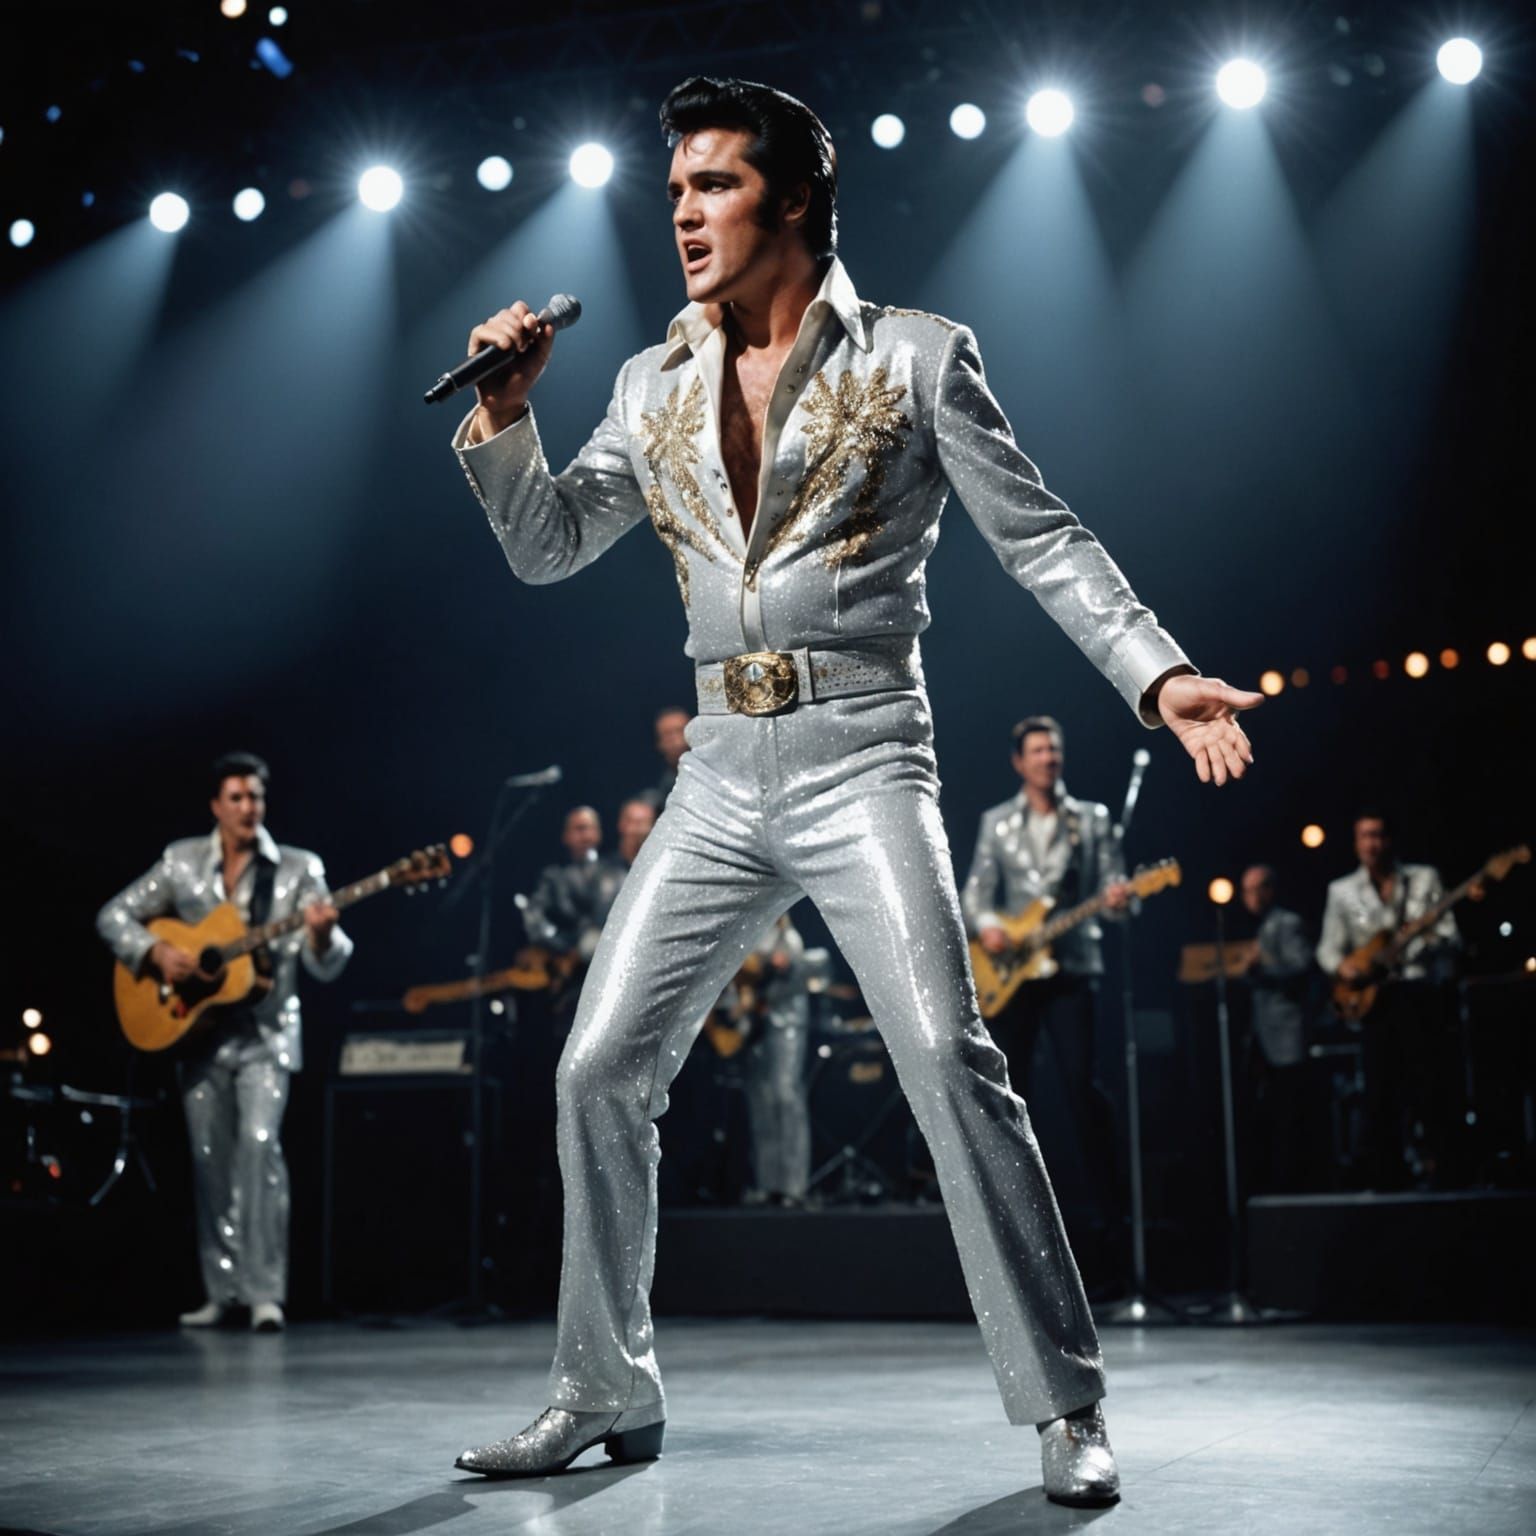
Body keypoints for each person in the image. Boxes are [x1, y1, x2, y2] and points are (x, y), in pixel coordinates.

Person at [446, 75, 1259, 1506]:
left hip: (863, 748)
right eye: (677, 185)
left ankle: (1066, 1401)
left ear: (799, 199)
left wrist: (1157, 674)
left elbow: (1044, 538)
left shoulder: (920, 358)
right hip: (714, 770)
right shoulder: (648, 382)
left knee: (949, 1057)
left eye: (716, 185)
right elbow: (549, 546)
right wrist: (507, 419)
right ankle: (603, 1385)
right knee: (595, 1068)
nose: (683, 211)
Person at [95, 752, 352, 1332]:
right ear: (216, 804)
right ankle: (222, 1289)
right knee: (210, 1161)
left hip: (266, 1034)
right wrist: (156, 952)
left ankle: (265, 1292)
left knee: (259, 1148)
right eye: (235, 797)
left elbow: (329, 964)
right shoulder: (181, 863)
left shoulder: (297, 868)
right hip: (199, 1035)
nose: (246, 807)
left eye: (255, 797)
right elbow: (114, 916)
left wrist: (325, 935)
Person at [961, 715, 1129, 1277]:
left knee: (1083, 1091)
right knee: (1014, 1096)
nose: (1048, 758)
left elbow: (1116, 888)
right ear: (1019, 761)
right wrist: (989, 926)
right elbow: (974, 896)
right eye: (1037, 751)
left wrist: (1123, 899)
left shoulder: (1091, 820)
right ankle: (1019, 1230)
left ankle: (1112, 1227)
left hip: (1072, 967)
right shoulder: (997, 822)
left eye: (1054, 749)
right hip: (1011, 975)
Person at [1317, 813, 1460, 1189]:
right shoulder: (1342, 891)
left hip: (1417, 992)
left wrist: (1418, 946)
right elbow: (1327, 951)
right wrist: (1346, 966)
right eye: (1364, 836)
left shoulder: (1422, 879)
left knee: (1429, 1082)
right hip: (1374, 1000)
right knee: (1379, 1089)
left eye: (1378, 835)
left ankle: (1445, 1171)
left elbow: (1450, 936)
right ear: (1354, 841)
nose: (1372, 844)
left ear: (1391, 839)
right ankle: (1385, 1176)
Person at [1236, 864, 1314, 1192]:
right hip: (1262, 1037)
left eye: (1259, 888)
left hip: (1287, 1034)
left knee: (1290, 1115)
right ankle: (1271, 1185)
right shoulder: (1256, 928)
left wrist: (1260, 969)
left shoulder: (1287, 923)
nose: (1252, 896)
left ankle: (1292, 1187)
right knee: (1266, 1114)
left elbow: (1301, 966)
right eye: (1247, 889)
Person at [729, 912, 811, 1205]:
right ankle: (767, 1182)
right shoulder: (749, 931)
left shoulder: (787, 937)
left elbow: (790, 974)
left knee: (786, 1096)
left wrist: (768, 974)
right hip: (755, 1029)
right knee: (760, 1102)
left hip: (784, 1025)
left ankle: (793, 1185)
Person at [523, 805, 612, 960]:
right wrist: (563, 946)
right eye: (579, 829)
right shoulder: (553, 877)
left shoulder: (616, 872)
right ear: (566, 836)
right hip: (568, 965)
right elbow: (534, 919)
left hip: (608, 957)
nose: (586, 836)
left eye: (591, 828)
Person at [651, 706, 692, 807]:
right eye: (668, 734)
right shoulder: (663, 790)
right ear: (659, 744)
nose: (676, 741)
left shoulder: (718, 772)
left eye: (680, 731)